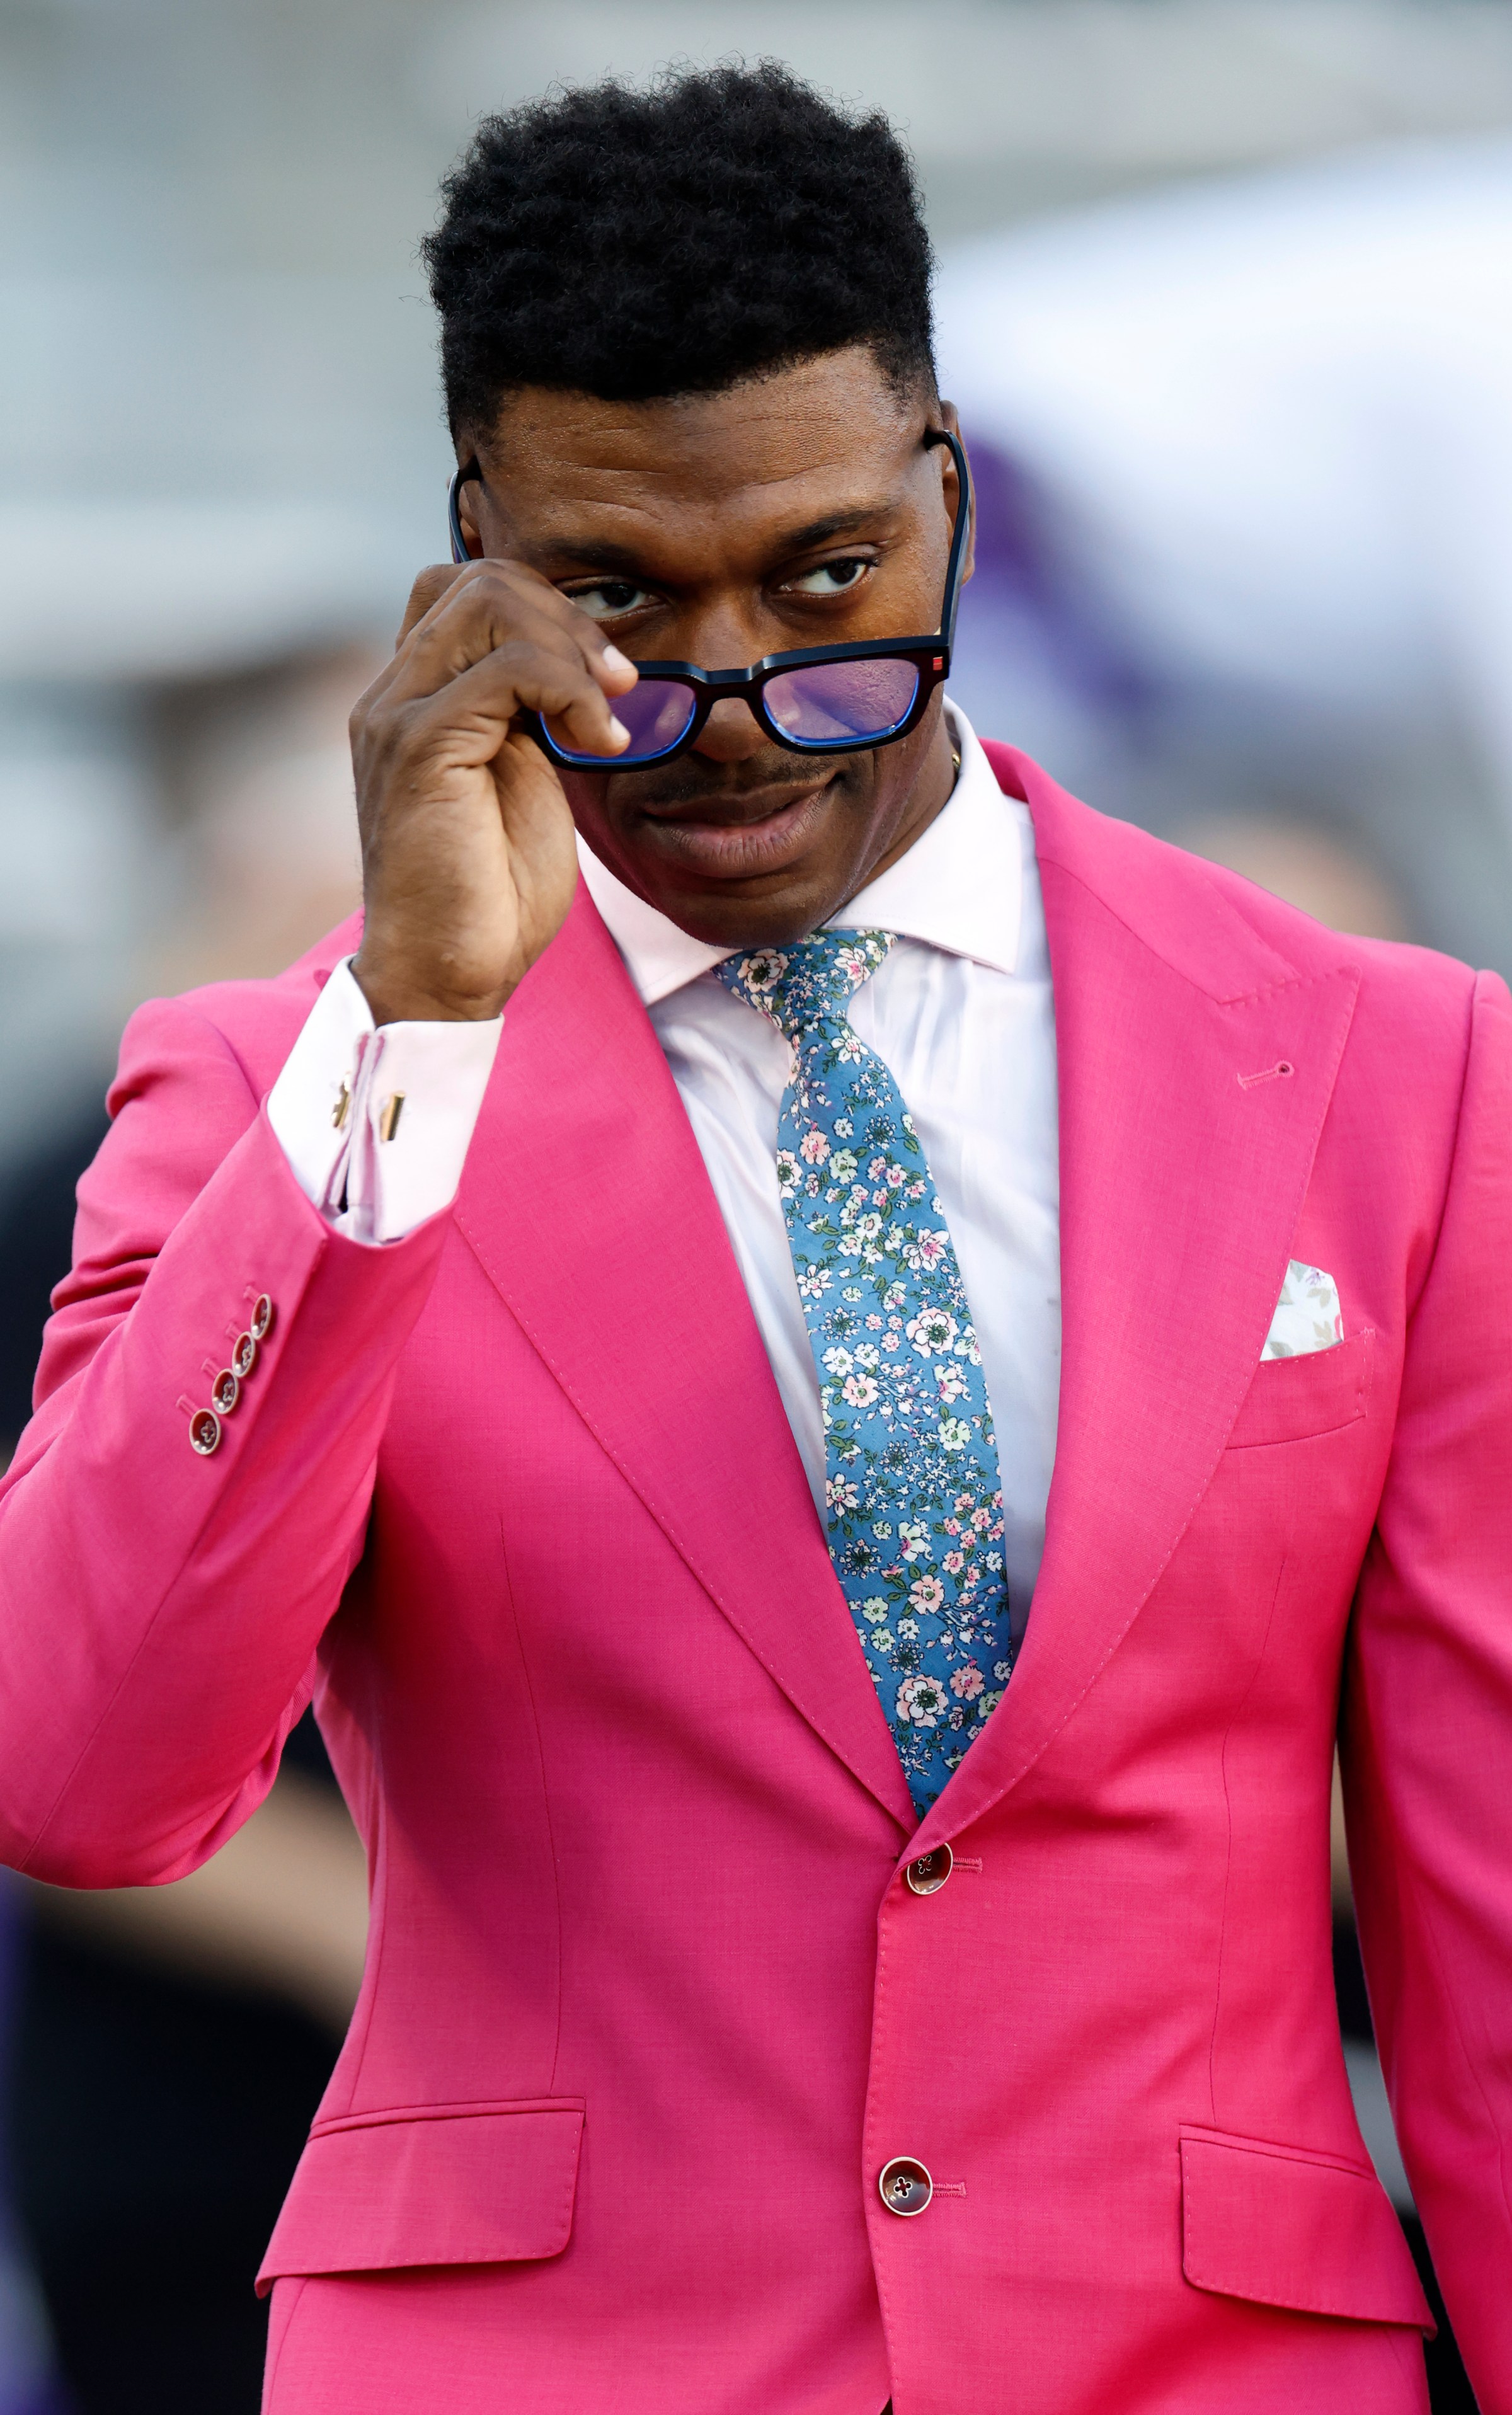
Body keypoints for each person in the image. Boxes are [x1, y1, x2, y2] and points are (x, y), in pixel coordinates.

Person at [0, 62, 1506, 2415]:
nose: (734, 709)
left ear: (952, 498)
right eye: (618, 598)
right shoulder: (282, 1087)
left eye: (826, 580)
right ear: (475, 557)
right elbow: (83, 1769)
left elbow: (1487, 1911)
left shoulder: (1396, 1070)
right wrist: (411, 1035)